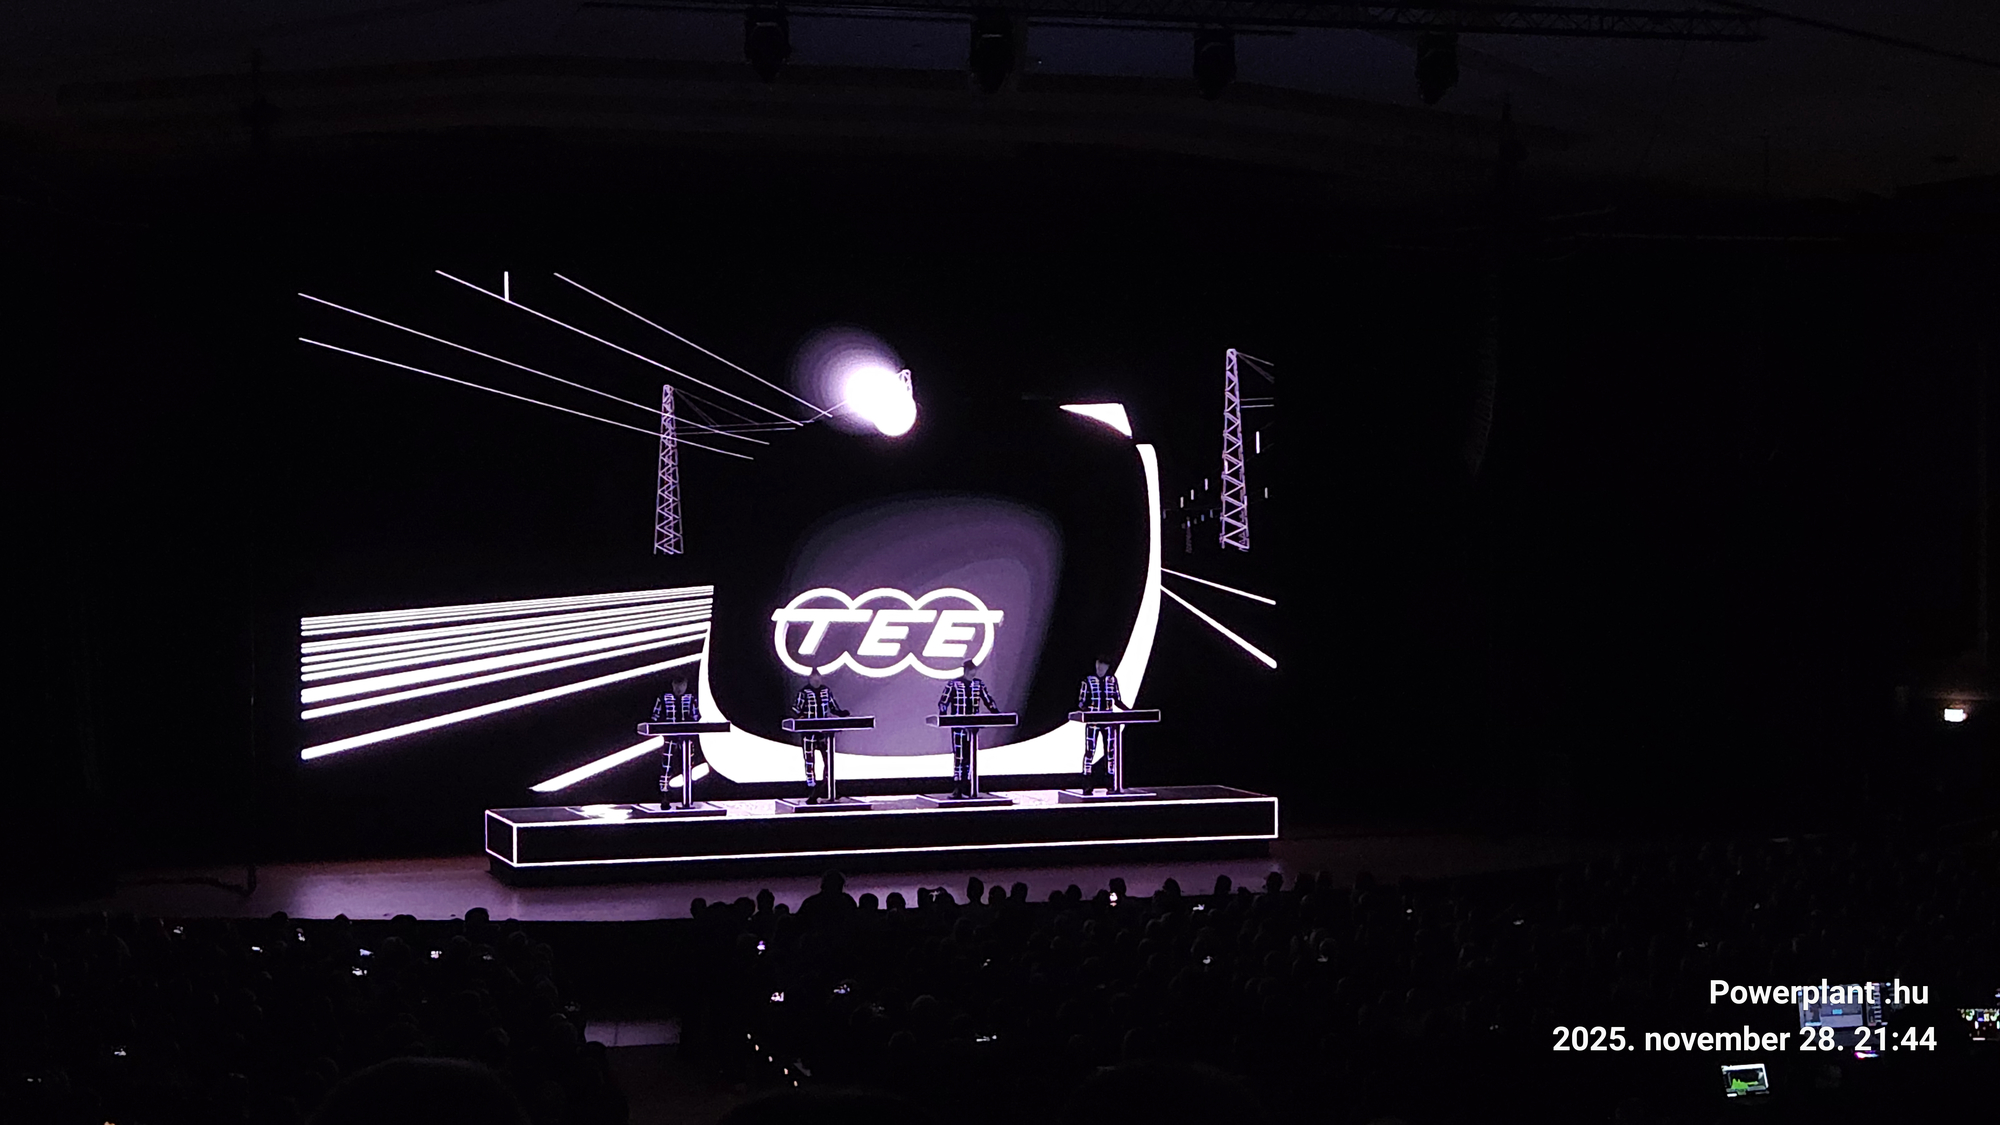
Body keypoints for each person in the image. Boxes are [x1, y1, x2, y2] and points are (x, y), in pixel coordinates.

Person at [937, 659, 1000, 798]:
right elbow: (943, 702)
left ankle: (969, 785)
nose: (973, 672)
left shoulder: (978, 684)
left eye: (974, 670)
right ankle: (958, 787)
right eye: (971, 670)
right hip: (958, 726)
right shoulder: (954, 684)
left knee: (970, 756)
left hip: (973, 727)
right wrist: (943, 716)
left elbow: (988, 700)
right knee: (959, 756)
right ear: (966, 670)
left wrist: (996, 714)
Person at [792, 668, 848, 804]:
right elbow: (796, 709)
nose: (816, 681)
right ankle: (811, 787)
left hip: (824, 732)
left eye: (818, 678)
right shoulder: (804, 692)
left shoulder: (826, 691)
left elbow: (833, 707)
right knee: (809, 760)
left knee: (828, 760)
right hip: (809, 731)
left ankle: (827, 786)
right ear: (810, 679)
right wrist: (800, 718)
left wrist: (841, 713)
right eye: (814, 679)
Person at [1077, 656, 1128, 794]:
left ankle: (1110, 782)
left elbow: (1117, 700)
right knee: (1090, 751)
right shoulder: (1088, 681)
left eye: (1103, 665)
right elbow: (1081, 702)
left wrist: (1129, 712)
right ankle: (1087, 783)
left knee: (1110, 752)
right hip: (1093, 721)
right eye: (1098, 665)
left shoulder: (1112, 680)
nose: (1100, 668)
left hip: (1108, 721)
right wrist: (1086, 711)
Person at [650, 674, 701, 806]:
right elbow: (654, 717)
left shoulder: (691, 698)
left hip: (686, 737)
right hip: (670, 736)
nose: (679, 688)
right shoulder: (663, 698)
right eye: (677, 685)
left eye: (682, 685)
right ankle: (665, 795)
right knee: (666, 766)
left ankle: (687, 793)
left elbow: (696, 717)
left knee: (687, 766)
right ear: (673, 685)